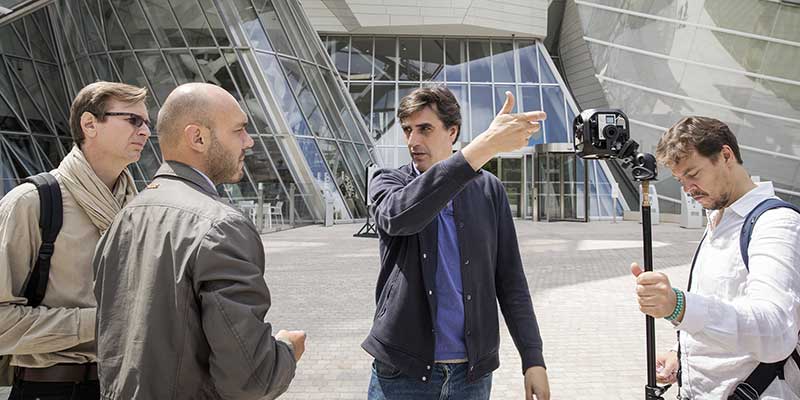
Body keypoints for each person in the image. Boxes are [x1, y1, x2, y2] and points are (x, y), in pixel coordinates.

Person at [92, 83, 305, 399]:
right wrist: (287, 349)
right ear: (198, 138)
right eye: (239, 130)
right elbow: (250, 379)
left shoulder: (125, 217)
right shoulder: (221, 226)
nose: (249, 141)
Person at [363, 85, 550, 400]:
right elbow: (400, 217)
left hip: (471, 376)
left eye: (425, 129)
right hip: (401, 372)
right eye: (407, 130)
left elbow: (511, 281)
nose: (413, 141)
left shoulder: (489, 190)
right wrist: (484, 147)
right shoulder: (389, 183)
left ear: (452, 132)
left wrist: (533, 358)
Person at [632, 116, 800, 399]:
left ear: (725, 155)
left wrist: (679, 307)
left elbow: (775, 332)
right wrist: (680, 354)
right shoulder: (718, 219)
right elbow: (722, 301)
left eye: (693, 174)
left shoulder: (776, 224)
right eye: (680, 179)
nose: (688, 188)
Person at [0, 81, 150, 399]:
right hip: (49, 388)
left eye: (147, 122)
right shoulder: (31, 202)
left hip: (127, 386)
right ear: (89, 124)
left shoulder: (140, 209)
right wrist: (103, 322)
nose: (145, 131)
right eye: (133, 120)